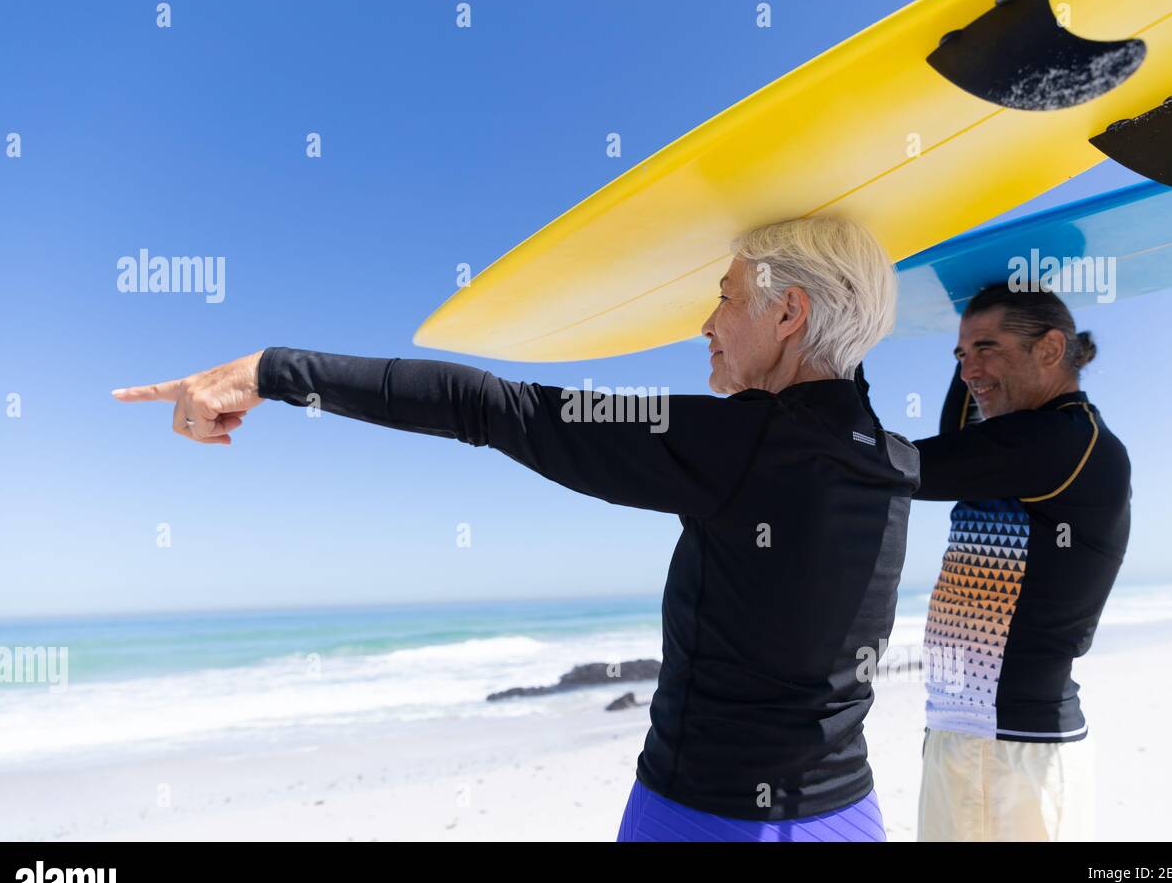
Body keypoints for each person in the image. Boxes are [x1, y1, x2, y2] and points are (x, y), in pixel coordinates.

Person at [113, 216, 919, 842]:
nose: (706, 323)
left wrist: (265, 371)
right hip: (849, 812)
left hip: (708, 816)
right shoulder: (892, 460)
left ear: (790, 311)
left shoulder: (738, 442)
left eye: (727, 295)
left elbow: (491, 408)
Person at [910, 285, 1131, 841]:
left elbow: (907, 466)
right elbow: (955, 444)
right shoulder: (1020, 448)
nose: (969, 371)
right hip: (974, 736)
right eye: (960, 355)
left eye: (988, 347)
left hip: (1007, 752)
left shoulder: (1069, 440)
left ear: (1051, 349)